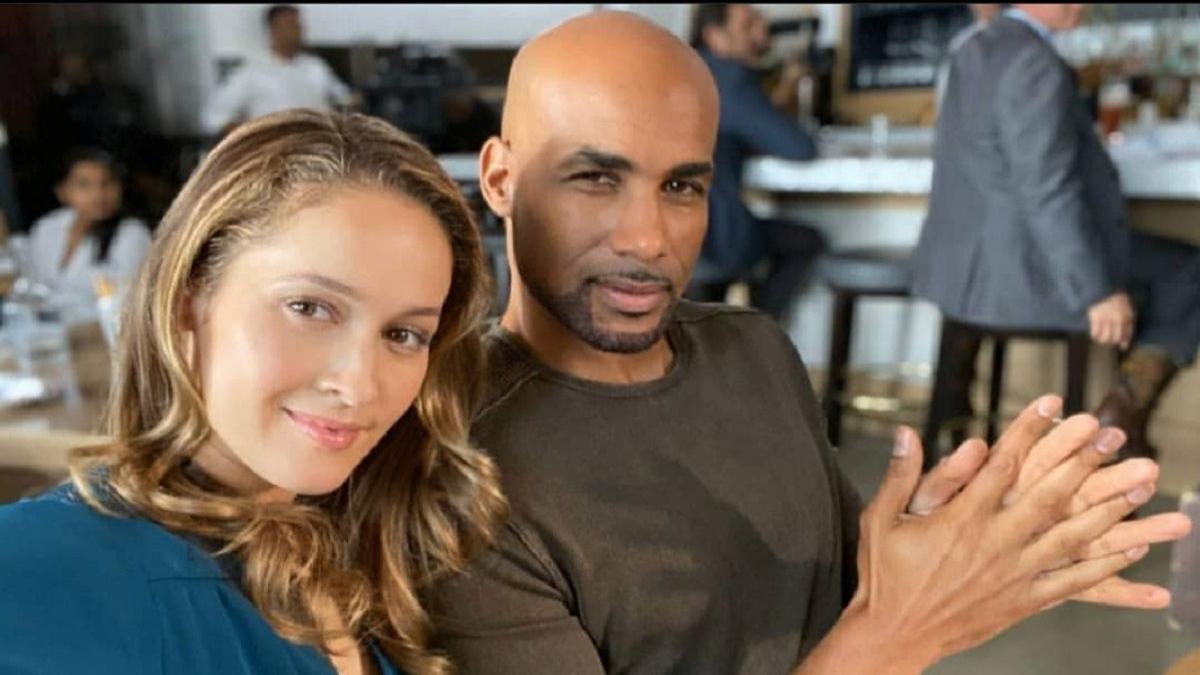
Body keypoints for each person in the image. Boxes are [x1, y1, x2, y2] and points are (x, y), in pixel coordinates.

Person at [426, 12, 1190, 674]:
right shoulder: (453, 473)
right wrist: (901, 630)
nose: (648, 237)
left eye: (682, 186)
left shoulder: (754, 348)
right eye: (596, 177)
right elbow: (886, 630)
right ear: (499, 179)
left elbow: (841, 587)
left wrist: (965, 545)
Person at [0, 110, 505, 674]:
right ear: (188, 296)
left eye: (403, 335)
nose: (359, 385)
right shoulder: (50, 568)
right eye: (309, 308)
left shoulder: (365, 552)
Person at [911, 4, 1200, 461]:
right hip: (1020, 272)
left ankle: (1113, 415)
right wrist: (1096, 292)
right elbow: (1048, 190)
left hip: (964, 276)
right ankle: (1120, 415)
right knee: (1188, 269)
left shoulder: (975, 47)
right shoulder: (1035, 61)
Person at [684, 3, 825, 320]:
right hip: (714, 238)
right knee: (807, 242)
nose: (762, 33)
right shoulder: (730, 79)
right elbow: (800, 147)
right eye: (748, 25)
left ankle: (737, 331)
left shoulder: (686, 75)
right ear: (716, 36)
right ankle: (759, 333)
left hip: (674, 232)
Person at [20, 148, 152, 324]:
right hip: (43, 328)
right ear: (62, 191)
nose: (99, 194)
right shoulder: (47, 227)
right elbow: (30, 286)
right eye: (84, 185)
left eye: (107, 183)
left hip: (99, 331)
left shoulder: (132, 235)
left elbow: (125, 305)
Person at [202, 6, 357, 137]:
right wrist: (253, 141)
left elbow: (344, 99)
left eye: (299, 25)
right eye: (292, 25)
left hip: (320, 145)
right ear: (274, 29)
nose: (299, 30)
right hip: (275, 151)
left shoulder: (315, 66)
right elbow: (215, 119)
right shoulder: (250, 72)